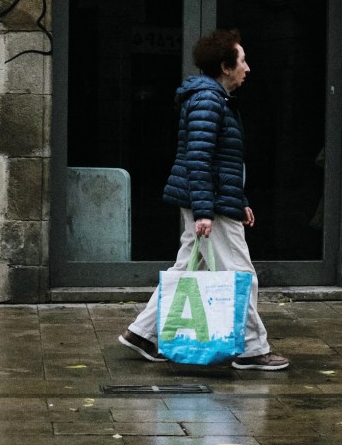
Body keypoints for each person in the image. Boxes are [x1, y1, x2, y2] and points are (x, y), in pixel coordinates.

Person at [119, 29, 290, 370]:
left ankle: (142, 333)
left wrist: (238, 199)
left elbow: (221, 162)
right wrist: (205, 212)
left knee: (187, 269)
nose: (248, 68)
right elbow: (198, 158)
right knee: (241, 275)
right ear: (226, 67)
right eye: (242, 61)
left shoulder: (212, 100)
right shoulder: (209, 101)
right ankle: (252, 349)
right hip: (210, 204)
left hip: (213, 200)